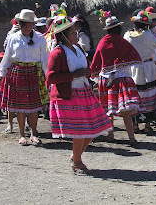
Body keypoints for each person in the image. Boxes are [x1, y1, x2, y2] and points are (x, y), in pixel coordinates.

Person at [47, 15, 112, 173]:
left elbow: (85, 68)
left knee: (97, 125)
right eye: (72, 33)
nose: (76, 35)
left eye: (75, 32)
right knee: (81, 129)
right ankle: (77, 161)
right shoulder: (58, 53)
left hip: (84, 92)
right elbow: (51, 77)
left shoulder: (78, 49)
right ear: (63, 36)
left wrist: (89, 72)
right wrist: (73, 75)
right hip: (68, 94)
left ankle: (75, 156)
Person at [0, 9, 49, 145]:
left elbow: (45, 59)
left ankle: (33, 133)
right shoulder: (13, 38)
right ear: (19, 24)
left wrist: (48, 75)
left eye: (29, 25)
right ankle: (21, 134)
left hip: (34, 73)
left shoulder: (40, 39)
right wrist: (2, 72)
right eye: (24, 24)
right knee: (20, 107)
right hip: (17, 73)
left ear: (33, 25)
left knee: (34, 106)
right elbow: (7, 57)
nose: (27, 28)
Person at [90, 16, 142, 145]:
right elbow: (134, 56)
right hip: (122, 78)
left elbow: (97, 60)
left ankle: (110, 134)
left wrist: (93, 72)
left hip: (105, 79)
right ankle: (131, 137)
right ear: (119, 28)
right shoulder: (123, 42)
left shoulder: (103, 42)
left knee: (109, 109)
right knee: (125, 111)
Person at [124, 11, 156, 133]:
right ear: (146, 25)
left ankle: (135, 124)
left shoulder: (127, 35)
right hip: (148, 67)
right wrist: (153, 29)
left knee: (135, 94)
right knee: (148, 94)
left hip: (133, 67)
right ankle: (147, 124)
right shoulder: (148, 35)